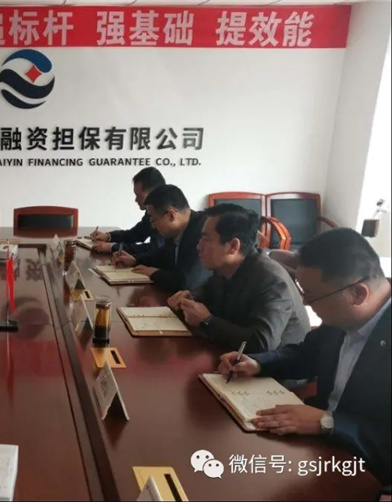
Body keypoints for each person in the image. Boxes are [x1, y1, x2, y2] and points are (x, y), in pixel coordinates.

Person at [218, 228, 390, 487]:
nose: (305, 302)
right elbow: (307, 354)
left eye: (313, 294)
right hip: (318, 446)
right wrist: (258, 363)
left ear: (357, 294)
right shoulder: (342, 316)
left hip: (365, 469)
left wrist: (328, 423)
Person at [168, 204, 308, 353]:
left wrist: (207, 321)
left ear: (233, 246)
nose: (198, 246)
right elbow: (206, 293)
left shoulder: (271, 281)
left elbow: (261, 343)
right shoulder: (224, 267)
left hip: (275, 366)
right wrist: (189, 299)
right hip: (233, 357)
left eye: (206, 239)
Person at [112, 184, 211, 292]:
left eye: (153, 220)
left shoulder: (203, 233)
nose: (153, 226)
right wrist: (135, 260)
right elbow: (162, 255)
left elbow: (186, 282)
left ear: (171, 215)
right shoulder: (176, 230)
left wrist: (154, 273)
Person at [90, 167, 166, 255]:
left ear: (154, 194)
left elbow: (154, 249)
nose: (136, 200)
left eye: (139, 196)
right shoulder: (152, 211)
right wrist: (108, 236)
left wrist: (113, 247)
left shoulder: (165, 215)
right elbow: (136, 234)